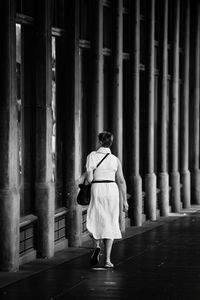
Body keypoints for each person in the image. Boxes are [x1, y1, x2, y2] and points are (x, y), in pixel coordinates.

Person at [85, 131, 128, 268]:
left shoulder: (92, 156)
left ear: (99, 142)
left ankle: (97, 245)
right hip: (112, 190)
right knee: (110, 222)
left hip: (97, 189)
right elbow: (121, 180)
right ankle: (108, 260)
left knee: (95, 219)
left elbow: (89, 178)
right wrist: (125, 201)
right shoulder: (115, 159)